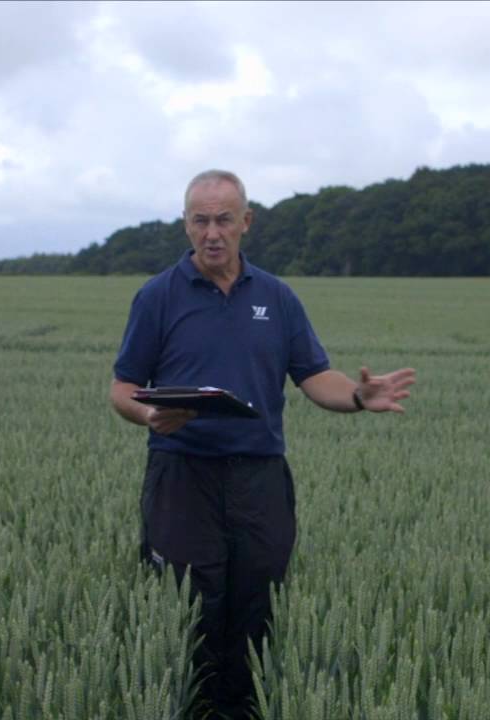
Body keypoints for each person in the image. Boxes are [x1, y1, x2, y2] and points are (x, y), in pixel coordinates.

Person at [110, 169, 415, 719]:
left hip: (260, 478)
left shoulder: (276, 297)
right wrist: (148, 413)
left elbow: (314, 376)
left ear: (246, 222)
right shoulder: (157, 296)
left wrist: (356, 396)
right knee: (189, 607)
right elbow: (122, 388)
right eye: (200, 220)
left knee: (258, 606)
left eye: (224, 219)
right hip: (183, 474)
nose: (212, 233)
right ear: (185, 223)